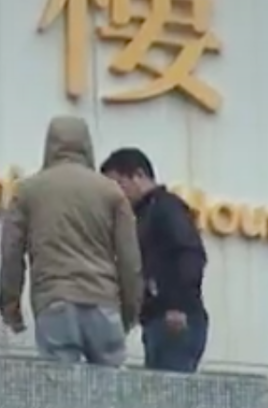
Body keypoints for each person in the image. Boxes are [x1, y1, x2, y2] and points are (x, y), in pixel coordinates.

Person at [0, 115, 143, 367]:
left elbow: (11, 252)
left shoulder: (28, 191)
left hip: (54, 300)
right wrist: (129, 311)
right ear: (87, 145)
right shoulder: (111, 191)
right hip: (103, 302)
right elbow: (130, 259)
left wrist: (10, 306)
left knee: (62, 394)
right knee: (111, 395)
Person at [100, 147, 208, 373]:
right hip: (157, 318)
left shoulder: (166, 207)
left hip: (176, 319)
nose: (116, 194)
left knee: (169, 391)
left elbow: (190, 253)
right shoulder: (143, 214)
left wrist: (178, 305)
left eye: (119, 184)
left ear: (138, 175)